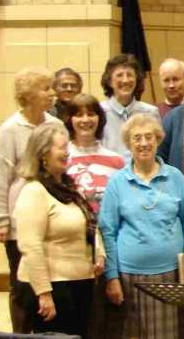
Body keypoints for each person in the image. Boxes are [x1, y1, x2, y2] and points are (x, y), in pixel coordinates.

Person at [98, 114, 184, 339]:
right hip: (130, 277)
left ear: (158, 140)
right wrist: (112, 277)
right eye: (137, 138)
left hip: (171, 275)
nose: (143, 143)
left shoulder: (175, 177)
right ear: (129, 144)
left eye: (149, 137)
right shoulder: (117, 181)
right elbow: (107, 231)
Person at [0, 67, 63, 334]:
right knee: (22, 286)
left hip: (52, 218)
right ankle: (21, 333)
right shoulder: (10, 129)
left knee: (47, 280)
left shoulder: (56, 125)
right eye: (45, 88)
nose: (52, 93)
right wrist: (0, 220)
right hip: (20, 222)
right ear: (28, 95)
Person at [13, 123, 102, 337]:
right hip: (52, 288)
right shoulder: (33, 191)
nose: (67, 153)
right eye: (61, 148)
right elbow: (30, 246)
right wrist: (44, 293)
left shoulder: (70, 188)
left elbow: (89, 224)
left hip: (80, 283)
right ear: (44, 153)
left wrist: (100, 254)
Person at [62, 93, 126, 338]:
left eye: (91, 114)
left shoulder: (116, 160)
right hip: (74, 247)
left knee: (106, 317)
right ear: (69, 120)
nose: (85, 120)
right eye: (79, 114)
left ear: (100, 119)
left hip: (108, 243)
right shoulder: (62, 157)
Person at [99, 54, 160, 157]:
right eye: (119, 75)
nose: (125, 80)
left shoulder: (150, 112)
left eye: (130, 75)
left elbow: (156, 149)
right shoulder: (99, 112)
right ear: (109, 81)